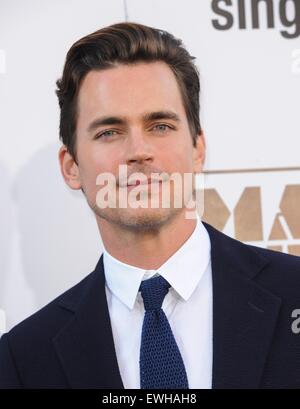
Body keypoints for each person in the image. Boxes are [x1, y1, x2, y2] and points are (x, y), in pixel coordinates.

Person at [0, 22, 300, 389]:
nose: (139, 152)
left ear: (197, 150)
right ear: (71, 166)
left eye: (160, 126)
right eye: (109, 132)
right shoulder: (24, 359)